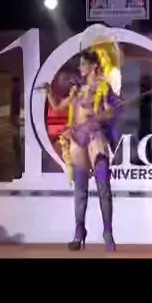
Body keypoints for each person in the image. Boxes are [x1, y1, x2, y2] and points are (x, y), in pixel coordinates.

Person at [44, 45, 121, 252]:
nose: (81, 68)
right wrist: (49, 93)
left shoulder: (103, 87)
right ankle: (79, 233)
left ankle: (108, 232)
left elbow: (110, 112)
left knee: (103, 186)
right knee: (80, 189)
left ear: (94, 66)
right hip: (78, 139)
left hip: (95, 136)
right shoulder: (77, 90)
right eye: (80, 65)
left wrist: (102, 115)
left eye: (84, 64)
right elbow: (58, 106)